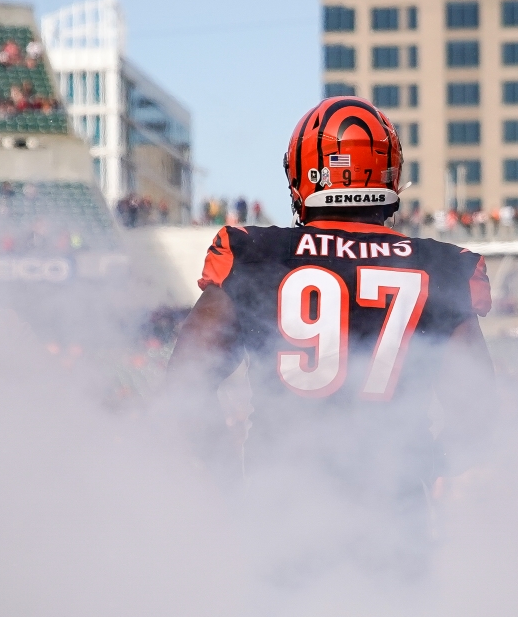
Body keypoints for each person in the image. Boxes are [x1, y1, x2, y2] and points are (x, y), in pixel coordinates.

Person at [166, 98, 494, 538]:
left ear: (303, 174)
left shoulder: (253, 252)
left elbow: (186, 382)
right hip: (392, 520)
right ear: (389, 174)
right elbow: (478, 411)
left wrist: (231, 482)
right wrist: (428, 461)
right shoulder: (442, 267)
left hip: (283, 514)